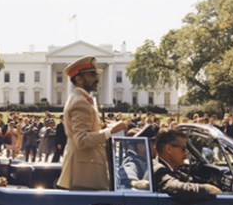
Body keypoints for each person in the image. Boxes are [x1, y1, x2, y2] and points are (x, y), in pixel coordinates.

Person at [56, 56, 127, 191]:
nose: (97, 78)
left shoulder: (81, 99)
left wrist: (103, 127)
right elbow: (82, 140)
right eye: (92, 75)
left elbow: (86, 131)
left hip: (84, 169)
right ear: (79, 79)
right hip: (84, 174)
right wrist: (110, 131)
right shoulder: (80, 102)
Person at [153, 128, 221, 198]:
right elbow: (174, 187)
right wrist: (207, 189)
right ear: (169, 149)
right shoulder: (158, 169)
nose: (186, 154)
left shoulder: (165, 166)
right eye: (183, 149)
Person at [119, 124, 159, 190]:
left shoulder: (151, 161)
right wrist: (136, 183)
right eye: (153, 144)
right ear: (141, 147)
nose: (156, 147)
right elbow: (127, 172)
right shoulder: (134, 162)